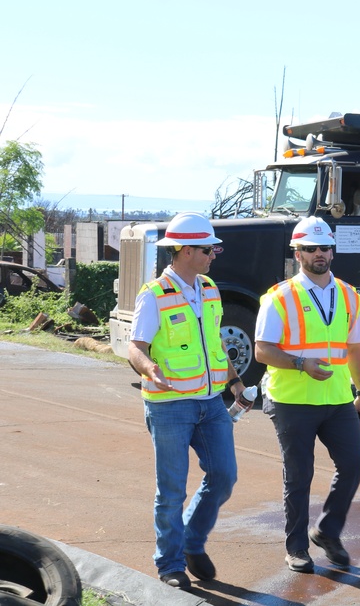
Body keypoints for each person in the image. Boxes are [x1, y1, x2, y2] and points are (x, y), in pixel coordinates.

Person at [127, 212, 242, 590]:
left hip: (210, 403)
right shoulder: (154, 295)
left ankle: (192, 540)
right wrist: (148, 369)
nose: (214, 255)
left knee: (224, 476)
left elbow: (216, 340)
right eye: (209, 249)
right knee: (172, 489)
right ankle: (170, 563)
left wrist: (235, 381)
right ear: (186, 250)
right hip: (170, 404)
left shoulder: (209, 287)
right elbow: (136, 346)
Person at [254, 216, 360, 574]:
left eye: (324, 247)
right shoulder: (280, 297)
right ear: (298, 252)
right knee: (299, 475)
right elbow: (262, 350)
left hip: (336, 400)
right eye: (310, 248)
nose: (319, 253)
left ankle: (327, 531)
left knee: (354, 463)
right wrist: (302, 364)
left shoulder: (349, 295)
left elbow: (355, 348)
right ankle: (297, 548)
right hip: (292, 400)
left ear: (332, 250)